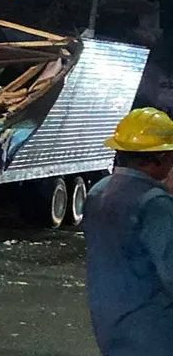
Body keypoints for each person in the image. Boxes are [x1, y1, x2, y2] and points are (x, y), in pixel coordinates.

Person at [83, 107, 173, 355]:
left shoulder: (97, 191)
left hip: (108, 321)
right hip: (153, 329)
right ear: (161, 157)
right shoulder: (154, 203)